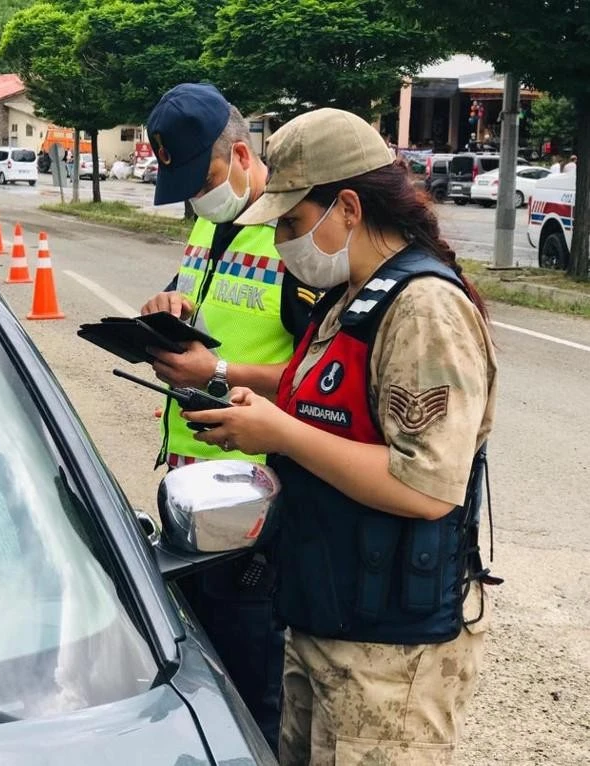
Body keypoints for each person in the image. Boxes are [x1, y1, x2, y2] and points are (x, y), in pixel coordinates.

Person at [184, 107, 500, 765]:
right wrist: (256, 408)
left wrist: (283, 434)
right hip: (323, 622)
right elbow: (330, 406)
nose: (280, 247)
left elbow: (427, 487)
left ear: (349, 208)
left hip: (389, 656)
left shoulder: (424, 310)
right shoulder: (346, 298)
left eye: (293, 225)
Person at [138, 82, 320, 754]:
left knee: (252, 686)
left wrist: (216, 374)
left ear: (243, 155)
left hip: (255, 501)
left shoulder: (297, 241)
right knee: (203, 667)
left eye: (203, 178)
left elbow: (320, 378)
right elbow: (217, 315)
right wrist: (173, 307)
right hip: (193, 487)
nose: (196, 197)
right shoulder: (212, 222)